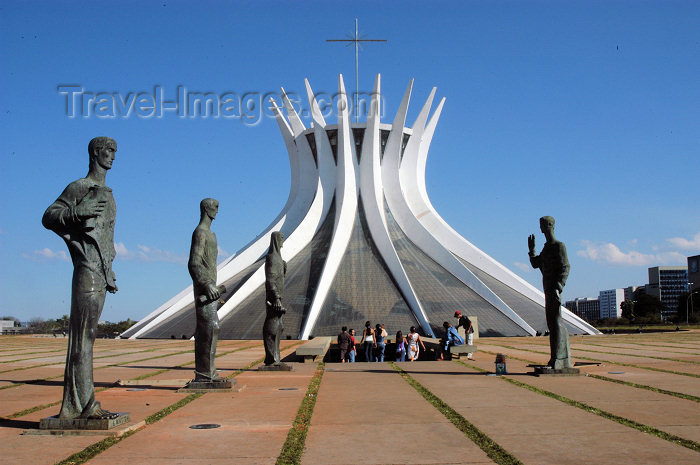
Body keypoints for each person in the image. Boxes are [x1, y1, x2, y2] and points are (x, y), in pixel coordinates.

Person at [42, 137, 119, 420]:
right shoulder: (80, 187)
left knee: (89, 337)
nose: (113, 157)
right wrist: (77, 212)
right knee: (82, 337)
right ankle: (82, 407)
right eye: (109, 151)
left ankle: (85, 403)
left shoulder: (108, 193)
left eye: (114, 152)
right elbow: (49, 216)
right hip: (86, 270)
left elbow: (104, 238)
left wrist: (109, 269)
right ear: (96, 153)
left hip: (100, 271)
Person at [188, 198, 225, 382]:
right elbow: (194, 264)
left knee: (213, 328)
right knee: (208, 329)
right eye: (215, 207)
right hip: (204, 291)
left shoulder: (212, 235)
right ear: (205, 209)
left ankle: (209, 372)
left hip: (211, 291)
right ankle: (204, 373)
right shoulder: (200, 233)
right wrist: (207, 285)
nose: (218, 211)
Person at [528, 216, 571, 370]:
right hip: (547, 288)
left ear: (551, 225)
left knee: (556, 322)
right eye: (540, 225)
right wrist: (531, 250)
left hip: (553, 289)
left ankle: (559, 359)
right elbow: (535, 264)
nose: (541, 228)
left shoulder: (558, 246)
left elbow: (565, 267)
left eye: (543, 225)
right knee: (552, 323)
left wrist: (558, 286)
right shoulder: (546, 248)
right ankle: (556, 358)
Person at [263, 231, 287, 366]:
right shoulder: (272, 258)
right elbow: (270, 280)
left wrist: (284, 268)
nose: (283, 240)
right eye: (281, 238)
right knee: (272, 326)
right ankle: (271, 358)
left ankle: (276, 357)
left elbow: (279, 279)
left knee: (280, 327)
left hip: (279, 297)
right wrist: (276, 298)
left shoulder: (279, 259)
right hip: (273, 299)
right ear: (276, 240)